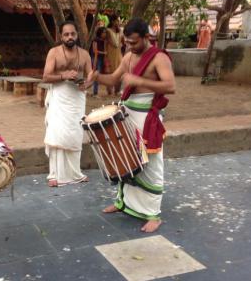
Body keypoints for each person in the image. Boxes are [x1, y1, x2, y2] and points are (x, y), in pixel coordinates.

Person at [86, 18, 176, 233]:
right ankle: (123, 203)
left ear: (146, 37)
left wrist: (140, 82)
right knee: (125, 159)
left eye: (134, 42)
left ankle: (153, 214)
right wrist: (97, 76)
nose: (130, 46)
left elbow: (170, 86)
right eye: (127, 42)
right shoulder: (128, 57)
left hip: (148, 118)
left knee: (151, 164)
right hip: (127, 115)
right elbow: (114, 80)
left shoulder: (159, 58)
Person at [42, 20, 92, 187]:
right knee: (58, 133)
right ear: (61, 36)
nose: (70, 37)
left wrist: (87, 84)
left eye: (72, 34)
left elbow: (90, 76)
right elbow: (46, 77)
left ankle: (75, 173)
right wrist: (63, 76)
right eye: (66, 34)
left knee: (75, 133)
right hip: (60, 97)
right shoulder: (54, 52)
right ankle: (54, 174)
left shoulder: (84, 54)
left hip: (77, 98)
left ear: (77, 35)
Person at [106, 15, 123, 94]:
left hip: (118, 53)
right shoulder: (108, 31)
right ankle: (110, 91)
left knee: (120, 72)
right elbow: (112, 43)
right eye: (117, 20)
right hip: (110, 53)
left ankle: (117, 90)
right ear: (112, 21)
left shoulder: (119, 31)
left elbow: (120, 43)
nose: (118, 22)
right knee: (110, 72)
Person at [91, 27, 107, 97]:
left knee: (97, 75)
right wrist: (104, 53)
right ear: (100, 33)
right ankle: (95, 92)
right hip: (96, 58)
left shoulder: (104, 40)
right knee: (96, 74)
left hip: (101, 58)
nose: (105, 34)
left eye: (105, 32)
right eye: (103, 32)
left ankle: (95, 91)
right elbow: (95, 50)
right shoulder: (96, 40)